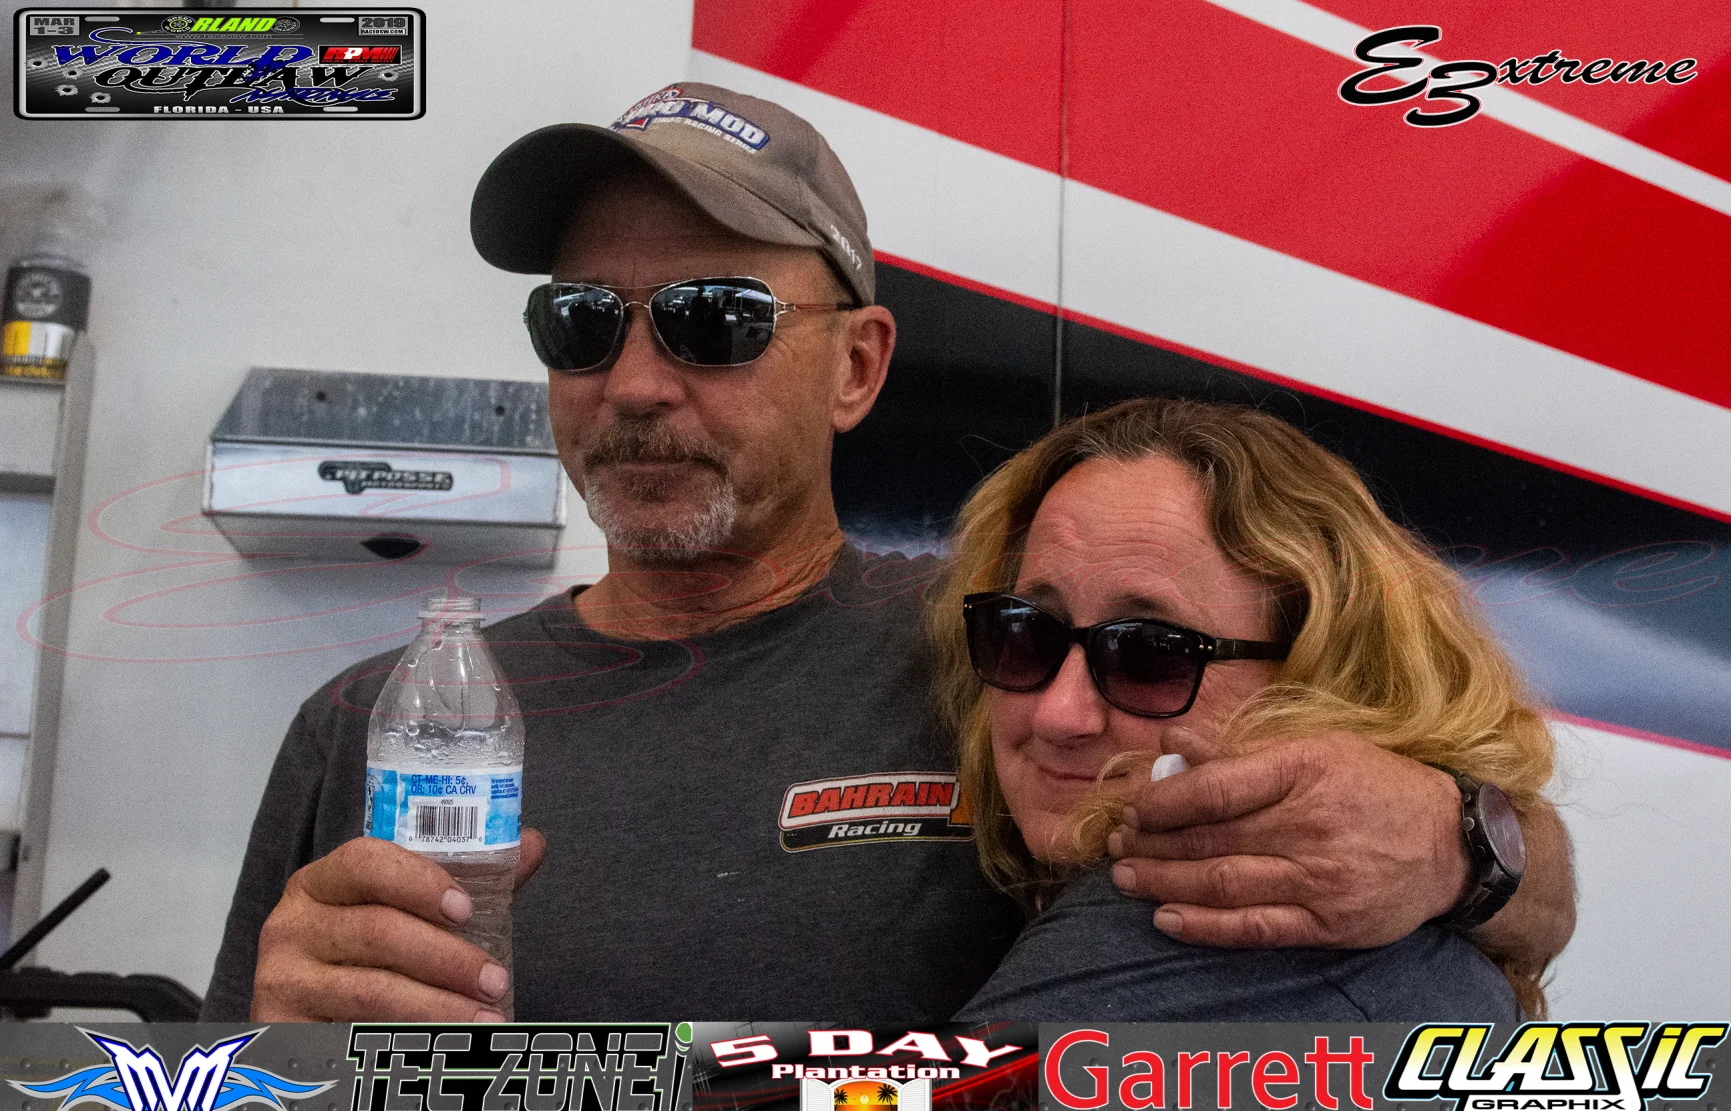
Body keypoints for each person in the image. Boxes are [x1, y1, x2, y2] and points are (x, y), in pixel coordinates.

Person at [203, 83, 1573, 1022]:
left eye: (714, 319)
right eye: (581, 322)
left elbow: (1468, 897)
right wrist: (278, 1066)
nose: (634, 383)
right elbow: (224, 1108)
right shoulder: (381, 723)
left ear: (856, 365)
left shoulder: (1017, 656)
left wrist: (1462, 842)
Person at [932, 398, 1553, 1019]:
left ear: (1317, 679)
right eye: (1023, 631)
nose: (1058, 715)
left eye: (1149, 654)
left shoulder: (1200, 922)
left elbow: (924, 1093)